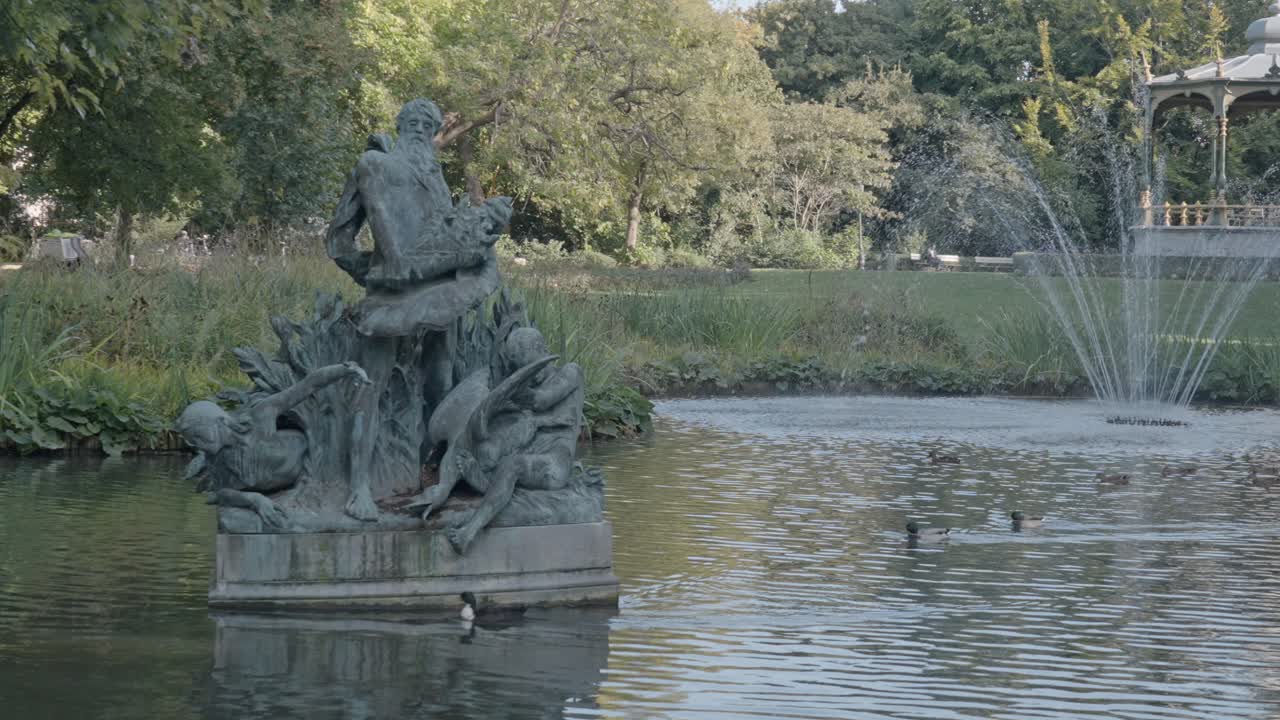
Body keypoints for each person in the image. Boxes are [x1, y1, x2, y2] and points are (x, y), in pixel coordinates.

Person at [176, 361, 371, 529]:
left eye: (199, 435)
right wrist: (254, 500)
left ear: (220, 421)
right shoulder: (218, 460)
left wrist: (345, 369)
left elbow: (307, 386)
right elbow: (223, 493)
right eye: (193, 440)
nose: (198, 445)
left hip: (315, 459)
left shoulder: (260, 416)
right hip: (286, 485)